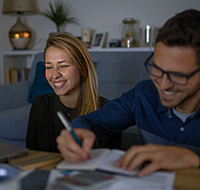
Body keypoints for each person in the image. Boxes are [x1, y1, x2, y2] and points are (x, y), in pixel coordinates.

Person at [56, 9, 200, 177]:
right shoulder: (143, 95)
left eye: (178, 75)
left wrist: (194, 159)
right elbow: (93, 121)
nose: (164, 84)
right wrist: (76, 132)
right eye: (157, 69)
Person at [26, 33, 121, 153]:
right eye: (49, 67)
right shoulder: (40, 104)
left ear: (83, 68)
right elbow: (30, 156)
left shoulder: (107, 110)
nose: (55, 75)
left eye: (63, 66)